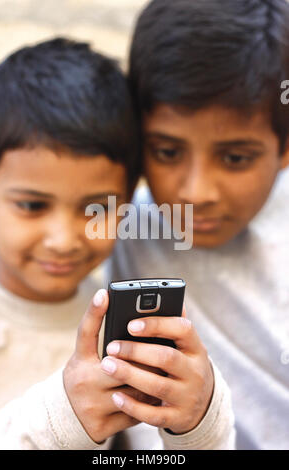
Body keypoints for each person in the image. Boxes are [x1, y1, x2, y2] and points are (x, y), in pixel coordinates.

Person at [0, 38, 234, 450]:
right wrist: (61, 421)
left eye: (95, 209)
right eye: (32, 205)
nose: (63, 240)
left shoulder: (119, 327)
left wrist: (197, 421)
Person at [109, 0, 289, 450]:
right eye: (167, 152)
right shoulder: (126, 222)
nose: (195, 192)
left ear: (284, 147)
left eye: (235, 158)